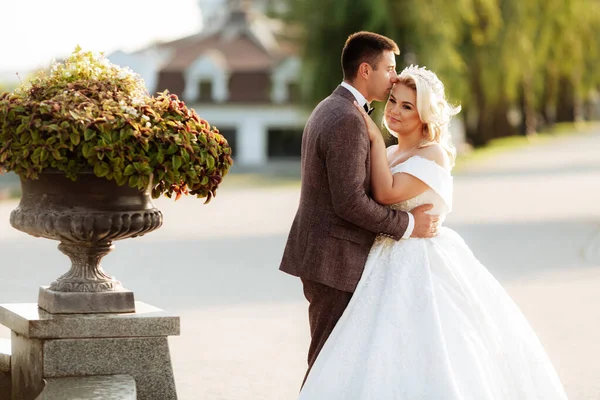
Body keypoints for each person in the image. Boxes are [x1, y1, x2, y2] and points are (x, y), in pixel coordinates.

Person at [297, 65, 568, 399]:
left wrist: (372, 137)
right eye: (393, 101)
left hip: (421, 259)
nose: (394, 111)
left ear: (425, 115)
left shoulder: (432, 153)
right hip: (382, 257)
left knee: (431, 343)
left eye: (407, 106)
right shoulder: (393, 151)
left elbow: (386, 194)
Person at [279, 31, 440, 386]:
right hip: (334, 259)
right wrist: (410, 225)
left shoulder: (332, 107)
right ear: (366, 71)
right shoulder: (347, 119)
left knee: (334, 360)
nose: (394, 77)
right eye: (389, 69)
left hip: (328, 256)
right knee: (327, 362)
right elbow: (350, 202)